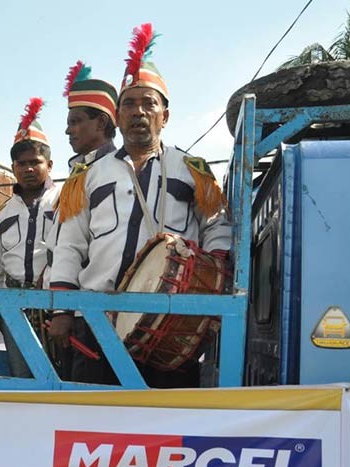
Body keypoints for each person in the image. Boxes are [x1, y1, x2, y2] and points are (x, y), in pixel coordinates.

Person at [48, 24, 232, 387]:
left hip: (171, 318)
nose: (138, 111)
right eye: (129, 104)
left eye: (149, 103)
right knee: (94, 421)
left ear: (165, 115)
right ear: (117, 116)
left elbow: (217, 226)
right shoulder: (88, 175)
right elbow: (69, 243)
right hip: (97, 317)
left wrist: (211, 286)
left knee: (163, 423)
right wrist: (62, 310)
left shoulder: (192, 170)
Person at [42, 61, 119, 377]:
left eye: (75, 121)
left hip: (96, 310)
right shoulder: (80, 174)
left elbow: (77, 248)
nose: (67, 129)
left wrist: (63, 310)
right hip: (75, 310)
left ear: (101, 123)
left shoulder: (118, 170)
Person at [0, 99, 58, 378]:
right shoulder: (1, 214)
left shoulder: (65, 203)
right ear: (13, 167)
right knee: (21, 377)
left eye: (35, 162)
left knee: (58, 378)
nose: (28, 169)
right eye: (21, 164)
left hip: (54, 307)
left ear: (49, 164)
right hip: (13, 307)